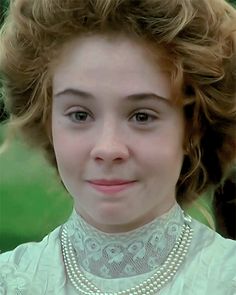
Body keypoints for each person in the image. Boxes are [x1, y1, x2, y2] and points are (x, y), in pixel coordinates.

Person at [0, 0, 236, 294]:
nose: (108, 148)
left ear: (192, 128)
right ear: (47, 123)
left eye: (142, 116)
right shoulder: (10, 281)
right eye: (80, 115)